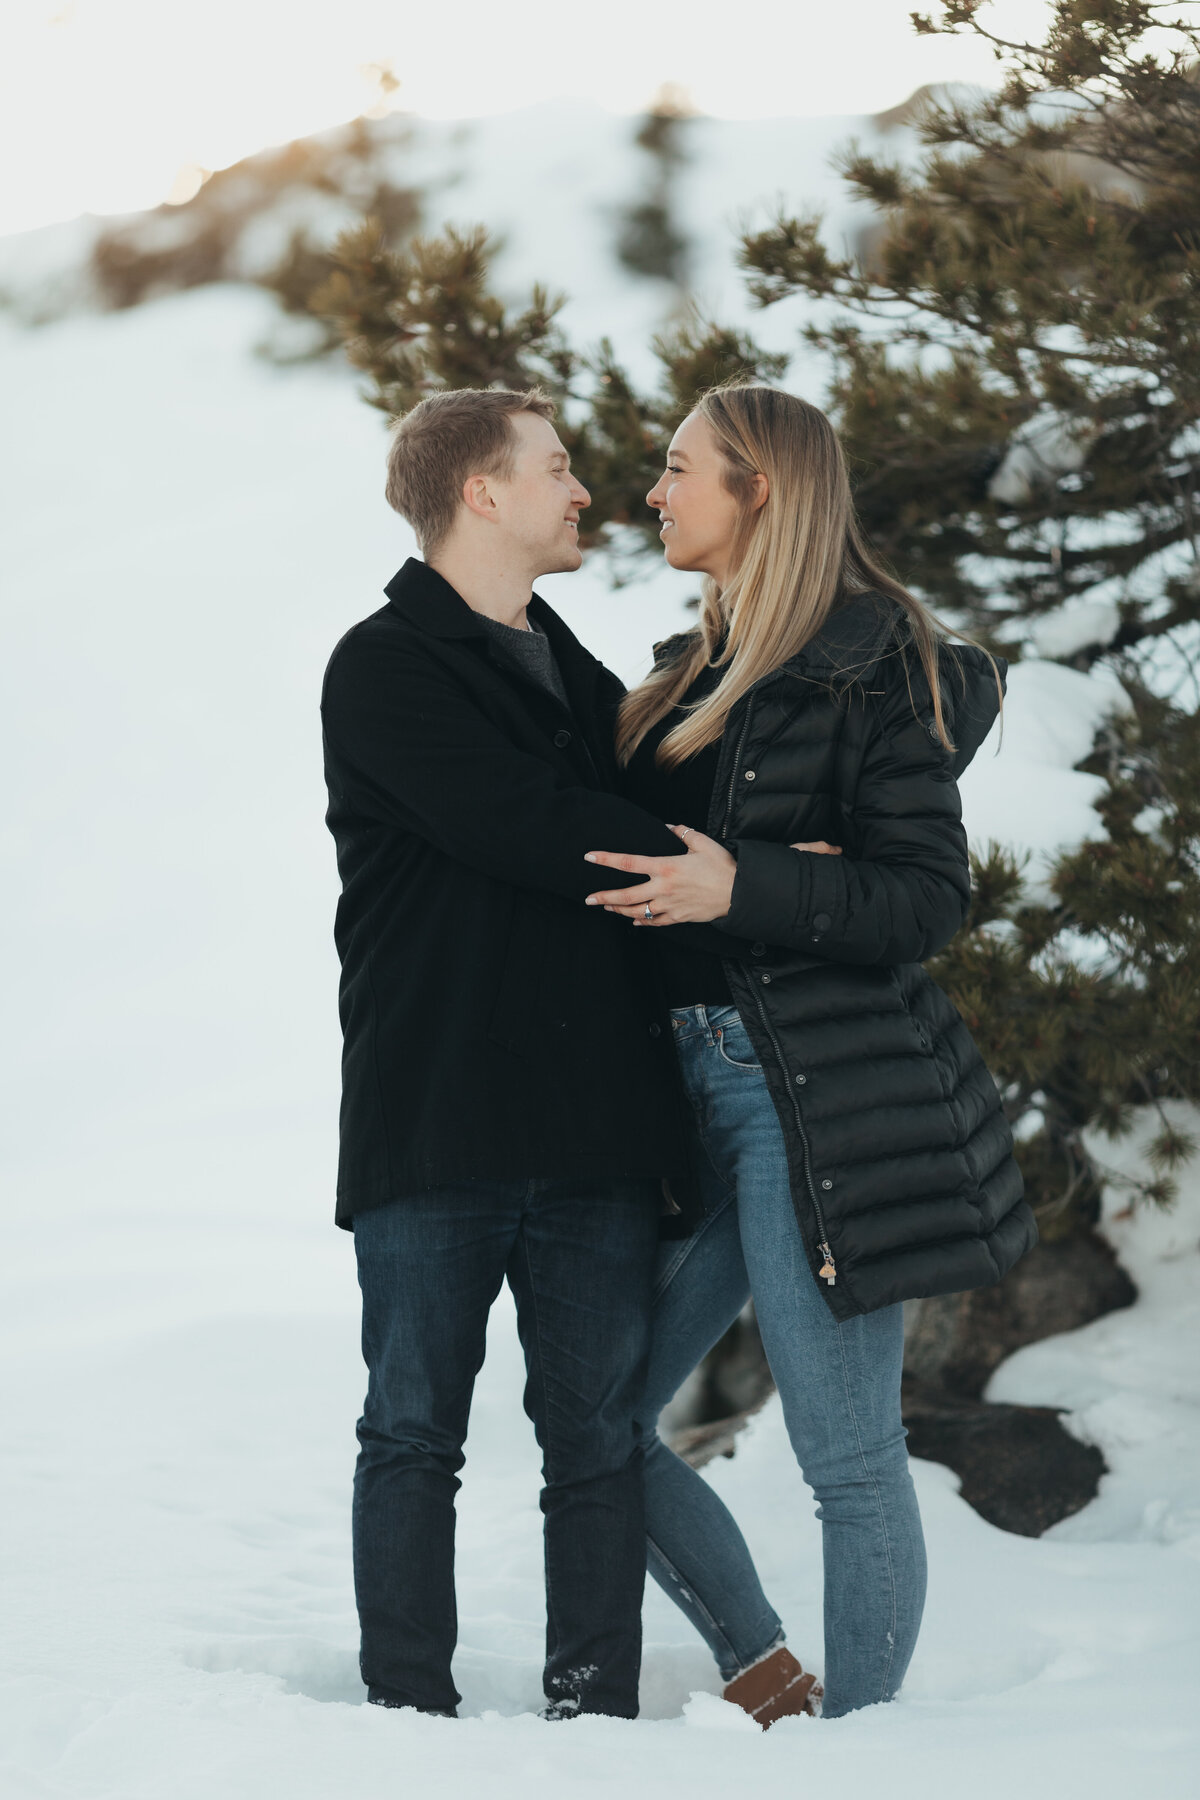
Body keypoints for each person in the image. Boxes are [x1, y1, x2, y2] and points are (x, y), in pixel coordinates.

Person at [581, 383, 1036, 1723]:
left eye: (679, 469)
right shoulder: (692, 661)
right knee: (593, 1417)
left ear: (761, 488)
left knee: (845, 1453)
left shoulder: (880, 660)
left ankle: (864, 1747)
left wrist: (753, 887)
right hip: (681, 1094)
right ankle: (769, 1679)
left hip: (813, 1099)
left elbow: (922, 901)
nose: (654, 493)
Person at [320, 387, 701, 1721]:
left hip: (594, 1124)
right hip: (437, 1117)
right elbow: (527, 824)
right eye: (555, 468)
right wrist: (707, 866)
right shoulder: (382, 666)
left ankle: (592, 1713)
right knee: (415, 1433)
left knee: (597, 1442)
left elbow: (648, 795)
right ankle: (405, 1713)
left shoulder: (571, 668)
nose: (583, 490)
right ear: (480, 492)